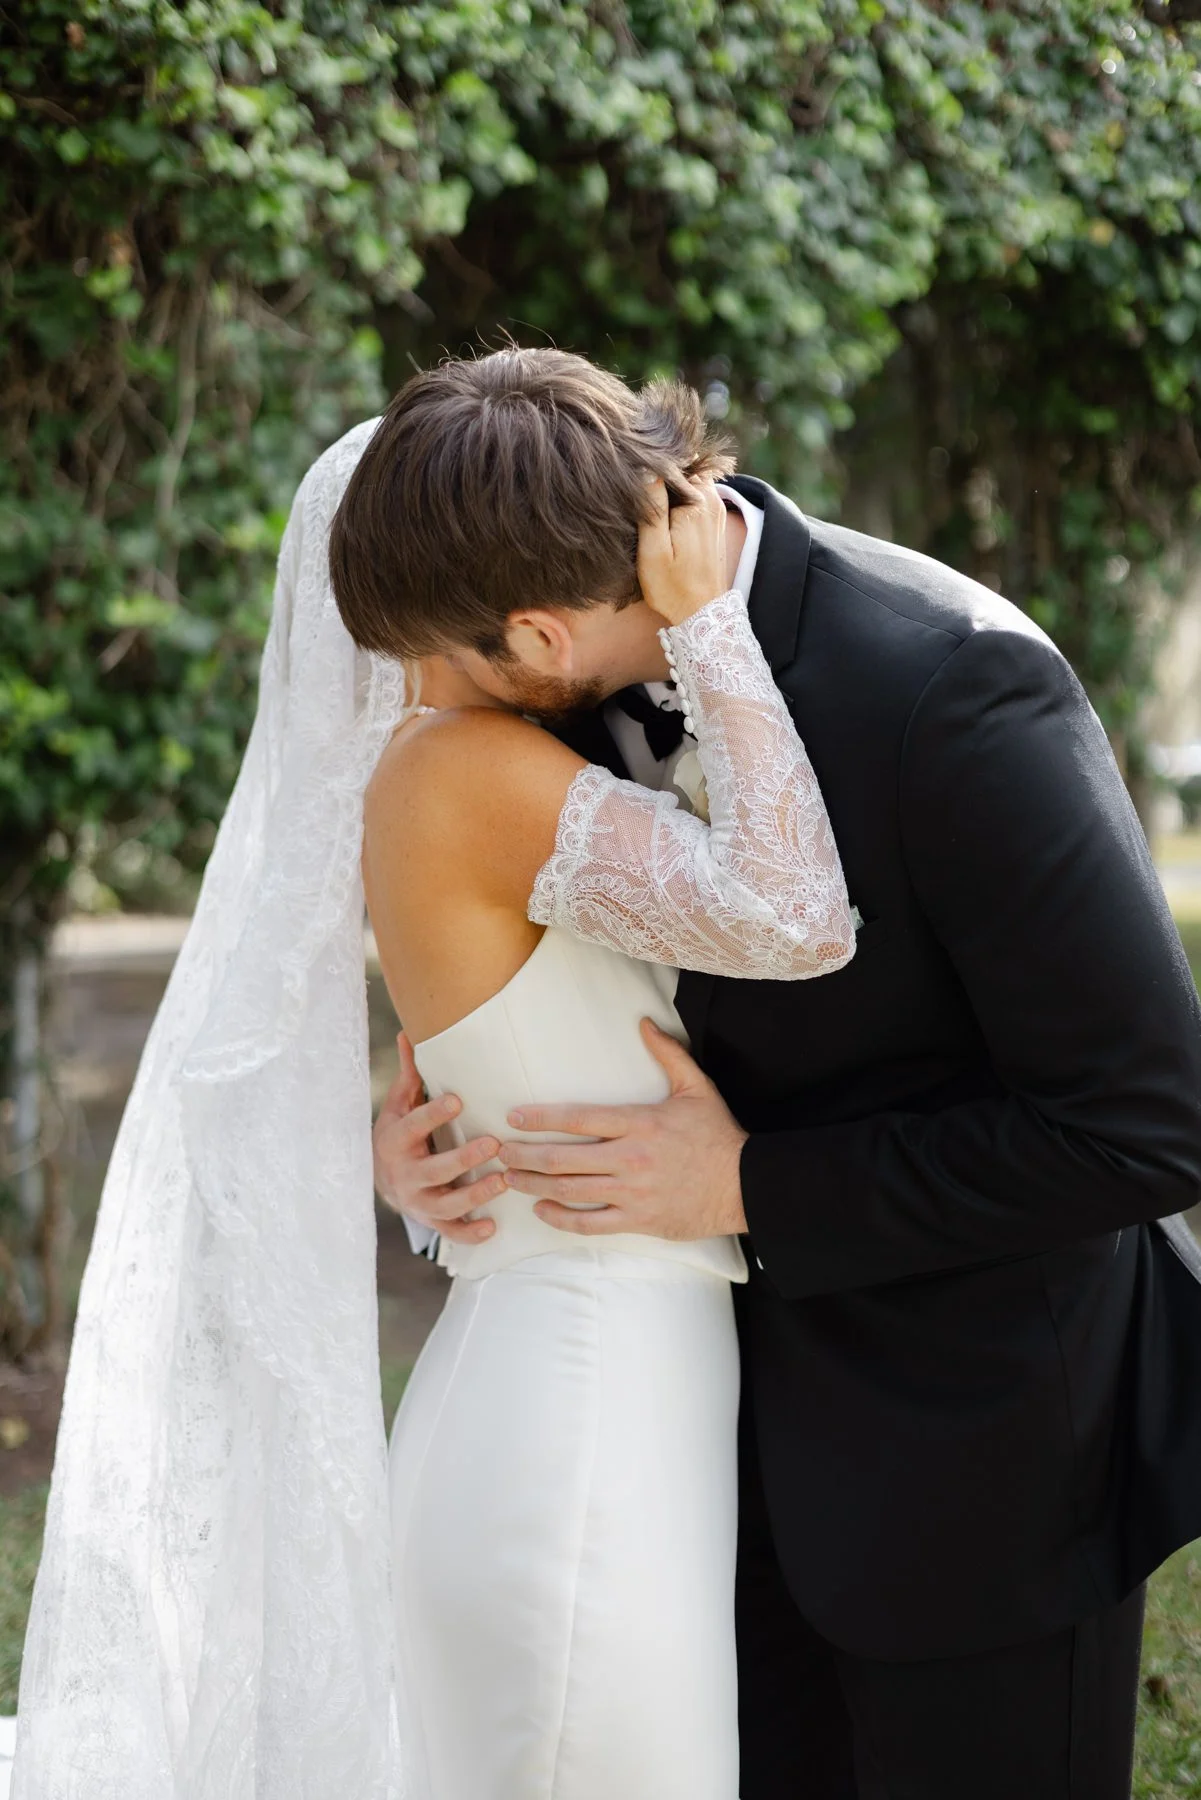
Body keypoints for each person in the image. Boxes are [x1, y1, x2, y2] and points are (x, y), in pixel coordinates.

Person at [356, 348, 1201, 1800]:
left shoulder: (956, 685)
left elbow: (1149, 1126)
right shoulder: (539, 707)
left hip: (971, 1462)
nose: (417, 696)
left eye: (433, 655)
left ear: (541, 631)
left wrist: (753, 1183)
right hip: (680, 1463)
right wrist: (434, 1096)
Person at [347, 420, 855, 1795]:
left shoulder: (471, 764)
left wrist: (403, 1163)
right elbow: (796, 914)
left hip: (577, 1357)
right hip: (582, 1392)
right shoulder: (461, 768)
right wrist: (709, 628)